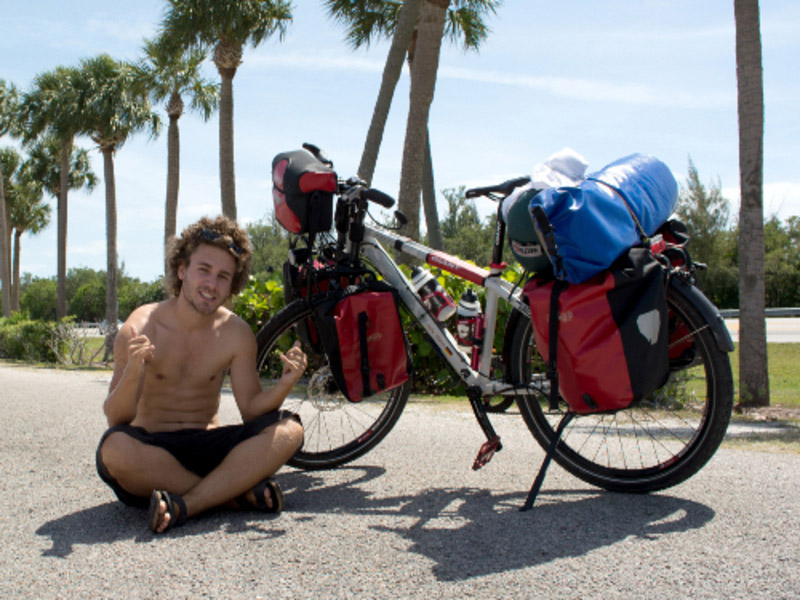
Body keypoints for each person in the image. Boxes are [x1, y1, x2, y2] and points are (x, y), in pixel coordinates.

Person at [95, 215, 307, 534]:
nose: (211, 284)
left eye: (223, 276)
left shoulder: (236, 333)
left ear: (232, 284)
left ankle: (188, 504)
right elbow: (116, 418)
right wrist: (134, 371)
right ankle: (233, 495)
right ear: (182, 271)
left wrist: (284, 385)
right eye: (203, 270)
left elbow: (251, 409)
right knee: (114, 450)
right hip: (154, 452)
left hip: (209, 447)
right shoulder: (140, 326)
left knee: (290, 430)